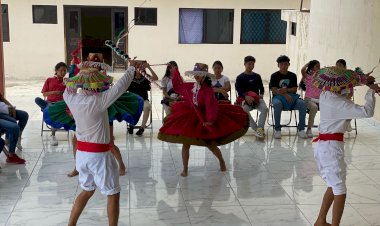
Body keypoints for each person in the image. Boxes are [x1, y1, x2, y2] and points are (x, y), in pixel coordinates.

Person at [44, 54, 143, 177]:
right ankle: (77, 166)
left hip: (105, 106)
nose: (92, 62)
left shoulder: (73, 96)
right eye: (90, 60)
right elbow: (120, 86)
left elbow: (116, 88)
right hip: (91, 106)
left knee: (109, 141)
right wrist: (131, 68)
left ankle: (121, 164)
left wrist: (80, 75)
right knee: (77, 140)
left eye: (95, 61)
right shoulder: (75, 96)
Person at [65, 58, 137, 226]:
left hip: (81, 156)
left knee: (87, 190)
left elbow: (67, 89)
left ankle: (71, 225)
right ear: (95, 83)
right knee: (113, 194)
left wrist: (78, 71)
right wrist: (131, 68)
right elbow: (121, 86)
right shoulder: (98, 101)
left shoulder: (71, 99)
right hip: (99, 157)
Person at [312, 66, 379, 226]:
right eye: (348, 86)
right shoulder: (341, 105)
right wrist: (371, 91)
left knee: (333, 184)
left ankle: (320, 221)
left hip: (324, 147)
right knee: (340, 189)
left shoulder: (325, 95)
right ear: (340, 86)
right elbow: (367, 111)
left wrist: (363, 81)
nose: (350, 90)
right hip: (331, 149)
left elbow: (343, 92)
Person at [158, 63, 248, 177]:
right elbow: (178, 86)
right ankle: (185, 168)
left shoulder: (207, 90)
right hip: (191, 115)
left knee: (210, 144)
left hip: (205, 116)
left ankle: (221, 160)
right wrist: (175, 72)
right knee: (186, 143)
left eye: (199, 75)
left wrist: (209, 121)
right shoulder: (193, 86)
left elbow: (211, 106)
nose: (197, 77)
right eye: (195, 74)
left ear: (204, 76)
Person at [269, 55, 307, 139]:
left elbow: (294, 89)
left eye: (285, 64)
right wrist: (285, 95)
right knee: (277, 104)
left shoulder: (292, 75)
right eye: (281, 64)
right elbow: (274, 90)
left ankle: (301, 129)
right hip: (277, 98)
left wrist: (286, 91)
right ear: (278, 65)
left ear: (288, 64)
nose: (283, 66)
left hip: (292, 97)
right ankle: (278, 130)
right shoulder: (274, 76)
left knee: (302, 104)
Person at [35, 62, 68, 146]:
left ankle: (52, 135)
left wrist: (66, 89)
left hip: (61, 104)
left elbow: (70, 94)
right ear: (56, 71)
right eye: (61, 70)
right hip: (50, 102)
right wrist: (54, 92)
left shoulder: (67, 81)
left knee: (54, 110)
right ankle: (46, 107)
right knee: (37, 99)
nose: (63, 72)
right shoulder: (49, 80)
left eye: (65, 71)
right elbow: (44, 94)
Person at [236, 56, 268, 138]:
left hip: (257, 99)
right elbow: (239, 91)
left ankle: (260, 128)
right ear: (244, 64)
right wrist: (246, 97)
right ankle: (256, 129)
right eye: (249, 64)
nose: (251, 66)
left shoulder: (257, 76)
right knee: (244, 110)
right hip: (245, 99)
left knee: (265, 109)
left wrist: (261, 95)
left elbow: (261, 88)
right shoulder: (240, 77)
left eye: (253, 64)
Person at [127, 60, 158, 136]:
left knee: (147, 106)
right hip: (132, 100)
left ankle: (142, 127)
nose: (139, 68)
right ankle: (131, 124)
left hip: (144, 100)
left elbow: (156, 78)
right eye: (137, 66)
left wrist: (149, 67)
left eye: (141, 66)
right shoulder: (130, 77)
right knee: (131, 106)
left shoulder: (146, 77)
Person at [300, 60, 321, 137]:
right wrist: (308, 63)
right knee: (314, 107)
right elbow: (302, 70)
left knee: (329, 107)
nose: (319, 68)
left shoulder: (321, 78)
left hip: (319, 100)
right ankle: (309, 128)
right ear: (312, 67)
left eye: (319, 66)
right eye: (317, 66)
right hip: (309, 99)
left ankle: (326, 128)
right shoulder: (308, 77)